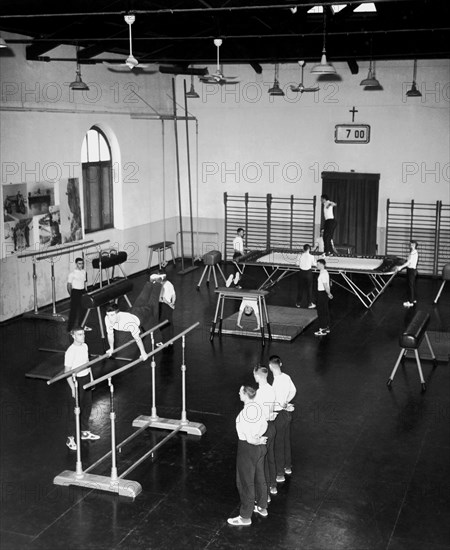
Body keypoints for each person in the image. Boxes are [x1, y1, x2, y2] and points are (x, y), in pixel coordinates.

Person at [227, 385, 268, 526]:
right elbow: (264, 425)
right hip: (260, 448)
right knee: (260, 477)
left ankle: (245, 517)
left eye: (240, 391)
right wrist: (260, 438)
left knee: (245, 482)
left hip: (248, 449)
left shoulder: (244, 415)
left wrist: (255, 439)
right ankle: (262, 507)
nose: (238, 393)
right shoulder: (258, 408)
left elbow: (250, 439)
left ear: (245, 395)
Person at [64, 327, 100, 450]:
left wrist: (92, 378)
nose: (83, 336)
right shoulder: (70, 351)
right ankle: (70, 439)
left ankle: (84, 432)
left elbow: (87, 363)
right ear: (73, 336)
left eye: (83, 334)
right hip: (76, 381)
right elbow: (67, 372)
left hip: (86, 379)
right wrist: (73, 388)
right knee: (74, 411)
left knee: (87, 406)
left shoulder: (85, 346)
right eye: (80, 335)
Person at [268, 355, 296, 482]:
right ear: (281, 364)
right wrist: (286, 402)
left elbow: (275, 402)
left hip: (278, 415)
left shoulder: (275, 383)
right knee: (286, 441)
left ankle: (279, 473)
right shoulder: (286, 377)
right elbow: (293, 390)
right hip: (286, 414)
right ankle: (287, 467)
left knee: (278, 444)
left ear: (270, 367)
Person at [253, 365, 277, 497]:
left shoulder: (259, 394)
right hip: (272, 426)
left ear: (257, 376)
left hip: (264, 428)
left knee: (261, 462)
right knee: (270, 457)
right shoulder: (271, 389)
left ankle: (264, 495)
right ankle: (273, 486)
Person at [67, 257, 91, 332]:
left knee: (84, 309)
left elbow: (83, 282)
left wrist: (86, 292)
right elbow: (68, 286)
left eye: (82, 263)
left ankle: (82, 326)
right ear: (76, 264)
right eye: (79, 264)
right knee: (73, 311)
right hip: (75, 292)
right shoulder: (72, 274)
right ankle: (70, 328)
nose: (81, 265)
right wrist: (72, 295)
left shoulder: (84, 272)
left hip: (82, 291)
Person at [395, 240, 419, 307]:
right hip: (411, 270)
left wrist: (400, 267)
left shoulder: (413, 253)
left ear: (414, 245)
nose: (410, 245)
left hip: (411, 271)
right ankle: (413, 299)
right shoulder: (413, 252)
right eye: (410, 244)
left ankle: (410, 302)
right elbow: (408, 260)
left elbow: (409, 262)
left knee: (410, 286)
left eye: (411, 244)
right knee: (412, 285)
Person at [155, 271, 176, 342]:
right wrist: (172, 303)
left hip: (164, 305)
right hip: (170, 306)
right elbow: (173, 295)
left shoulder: (162, 286)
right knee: (170, 322)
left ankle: (165, 341)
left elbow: (162, 298)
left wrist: (168, 303)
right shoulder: (169, 283)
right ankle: (171, 341)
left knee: (163, 324)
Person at [314, 258, 333, 336]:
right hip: (323, 293)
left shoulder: (323, 273)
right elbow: (329, 283)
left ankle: (322, 329)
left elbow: (325, 285)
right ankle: (326, 328)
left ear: (322, 265)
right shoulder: (324, 272)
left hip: (322, 294)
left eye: (318, 264)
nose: (316, 265)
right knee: (325, 310)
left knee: (321, 312)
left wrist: (329, 293)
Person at [296, 244, 316, 309]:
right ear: (309, 249)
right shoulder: (312, 256)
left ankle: (298, 303)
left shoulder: (300, 256)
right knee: (309, 288)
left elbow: (296, 264)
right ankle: (310, 304)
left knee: (300, 288)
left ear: (303, 249)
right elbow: (315, 264)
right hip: (308, 273)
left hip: (301, 273)